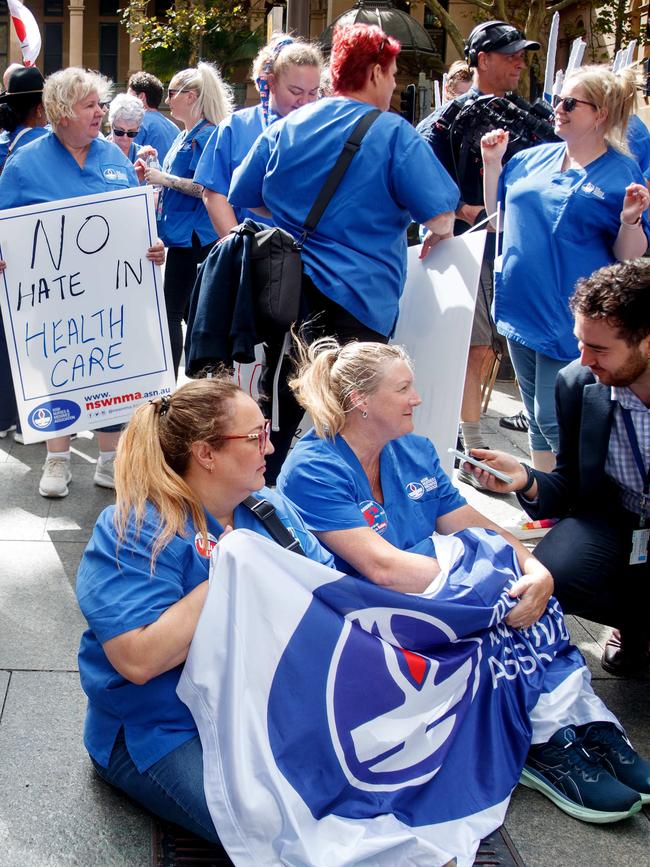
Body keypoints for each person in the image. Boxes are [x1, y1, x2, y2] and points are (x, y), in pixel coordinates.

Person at [277, 335, 650, 823]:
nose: (417, 399)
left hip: (427, 592)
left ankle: (582, 721)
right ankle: (542, 741)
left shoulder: (411, 450)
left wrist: (534, 569)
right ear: (360, 403)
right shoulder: (312, 468)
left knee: (531, 597)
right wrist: (483, 586)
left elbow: (469, 522)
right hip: (368, 617)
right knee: (500, 613)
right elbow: (381, 568)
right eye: (404, 389)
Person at [76, 377, 333, 841]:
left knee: (363, 792)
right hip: (163, 730)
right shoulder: (134, 527)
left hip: (262, 709)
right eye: (255, 436)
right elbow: (138, 658)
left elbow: (331, 596)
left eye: (267, 430)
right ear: (206, 454)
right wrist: (231, 567)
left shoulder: (268, 509)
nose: (270, 447)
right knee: (278, 831)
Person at [229, 23, 458, 481]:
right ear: (375, 72)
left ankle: (269, 496)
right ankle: (346, 508)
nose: (394, 85)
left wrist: (291, 222)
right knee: (358, 414)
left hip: (289, 292)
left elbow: (243, 193)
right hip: (362, 300)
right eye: (393, 74)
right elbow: (441, 218)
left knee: (289, 403)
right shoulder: (394, 132)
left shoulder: (289, 125)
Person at [457, 259, 650, 679]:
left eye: (598, 349)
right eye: (580, 342)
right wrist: (524, 479)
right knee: (551, 576)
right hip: (615, 514)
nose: (583, 359)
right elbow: (572, 484)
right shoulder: (579, 383)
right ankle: (635, 625)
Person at [0, 67, 165, 497]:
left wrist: (153, 249)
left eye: (101, 104)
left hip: (112, 293)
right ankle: (57, 459)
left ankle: (110, 460)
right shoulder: (24, 165)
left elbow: (135, 225)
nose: (100, 113)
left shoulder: (114, 159)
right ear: (61, 112)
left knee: (111, 363)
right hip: (55, 300)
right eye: (90, 105)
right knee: (60, 366)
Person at [481, 65, 650, 476]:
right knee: (537, 419)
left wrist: (630, 220)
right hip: (521, 306)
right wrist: (491, 165)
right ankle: (550, 505)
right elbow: (498, 221)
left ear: (601, 114)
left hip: (570, 318)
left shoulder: (619, 172)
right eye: (557, 99)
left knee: (553, 416)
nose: (557, 108)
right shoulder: (527, 159)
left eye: (570, 103)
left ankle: (588, 501)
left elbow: (629, 256)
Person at [417, 21, 540, 483]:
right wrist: (457, 209)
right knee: (475, 347)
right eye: (509, 54)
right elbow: (421, 178)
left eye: (521, 54)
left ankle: (481, 441)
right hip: (464, 248)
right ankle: (472, 445)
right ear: (481, 59)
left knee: (497, 349)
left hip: (517, 251)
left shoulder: (534, 117)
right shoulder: (448, 120)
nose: (519, 62)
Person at [139, 62, 232, 379]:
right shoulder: (187, 134)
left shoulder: (205, 135)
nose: (168, 98)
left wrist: (162, 178)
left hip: (195, 237)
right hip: (183, 235)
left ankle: (173, 384)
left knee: (175, 311)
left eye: (173, 92)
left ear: (191, 96)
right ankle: (196, 380)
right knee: (189, 311)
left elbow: (204, 187)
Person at [195, 34, 323, 238]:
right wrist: (238, 247)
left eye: (313, 93)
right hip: (255, 253)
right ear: (271, 82)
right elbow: (214, 192)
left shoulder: (325, 131)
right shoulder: (236, 127)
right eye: (296, 91)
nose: (305, 101)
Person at [0, 65, 49, 443]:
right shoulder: (46, 149)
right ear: (40, 108)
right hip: (40, 258)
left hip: (5, 253)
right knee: (34, 335)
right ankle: (29, 412)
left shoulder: (5, 144)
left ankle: (5, 415)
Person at [127, 71, 178, 164]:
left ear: (141, 96)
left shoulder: (136, 122)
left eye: (128, 93)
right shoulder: (175, 128)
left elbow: (123, 158)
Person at [107, 93, 144, 163]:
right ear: (111, 125)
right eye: (119, 132)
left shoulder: (142, 156)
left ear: (138, 129)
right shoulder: (99, 152)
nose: (125, 138)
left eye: (131, 133)